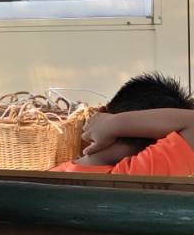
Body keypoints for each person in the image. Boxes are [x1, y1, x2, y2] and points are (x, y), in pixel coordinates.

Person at [52, 73, 194, 175]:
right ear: (163, 139)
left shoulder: (51, 176)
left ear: (101, 112)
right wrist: (114, 123)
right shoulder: (137, 175)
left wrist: (111, 122)